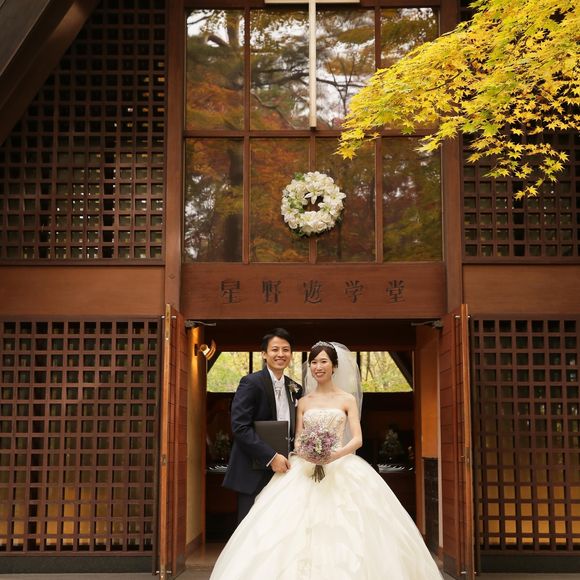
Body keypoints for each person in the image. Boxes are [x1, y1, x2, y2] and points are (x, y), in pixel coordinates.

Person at [211, 341, 442, 580]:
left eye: (323, 362)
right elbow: (298, 439)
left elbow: (358, 439)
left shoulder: (347, 399)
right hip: (305, 467)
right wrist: (308, 453)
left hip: (341, 465)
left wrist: (333, 455)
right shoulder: (303, 401)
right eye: (314, 362)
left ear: (334, 366)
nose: (318, 367)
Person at [223, 328, 302, 523]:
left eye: (286, 350)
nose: (281, 354)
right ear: (264, 354)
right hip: (253, 470)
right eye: (275, 349)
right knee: (251, 528)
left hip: (286, 471)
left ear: (291, 354)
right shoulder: (251, 383)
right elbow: (240, 427)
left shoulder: (295, 388)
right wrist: (271, 457)